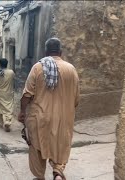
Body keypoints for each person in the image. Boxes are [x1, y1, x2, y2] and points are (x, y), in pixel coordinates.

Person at [18, 38, 80, 180]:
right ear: (61, 52)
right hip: (63, 120)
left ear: (45, 52)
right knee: (60, 147)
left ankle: (40, 177)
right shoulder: (71, 69)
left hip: (40, 119)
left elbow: (27, 94)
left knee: (37, 149)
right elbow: (76, 99)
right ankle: (58, 172)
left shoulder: (38, 68)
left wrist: (22, 112)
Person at [0, 58, 15, 132]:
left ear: (0, 64)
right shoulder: (11, 72)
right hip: (9, 93)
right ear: (7, 64)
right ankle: (7, 121)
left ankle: (0, 122)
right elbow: (13, 80)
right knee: (8, 108)